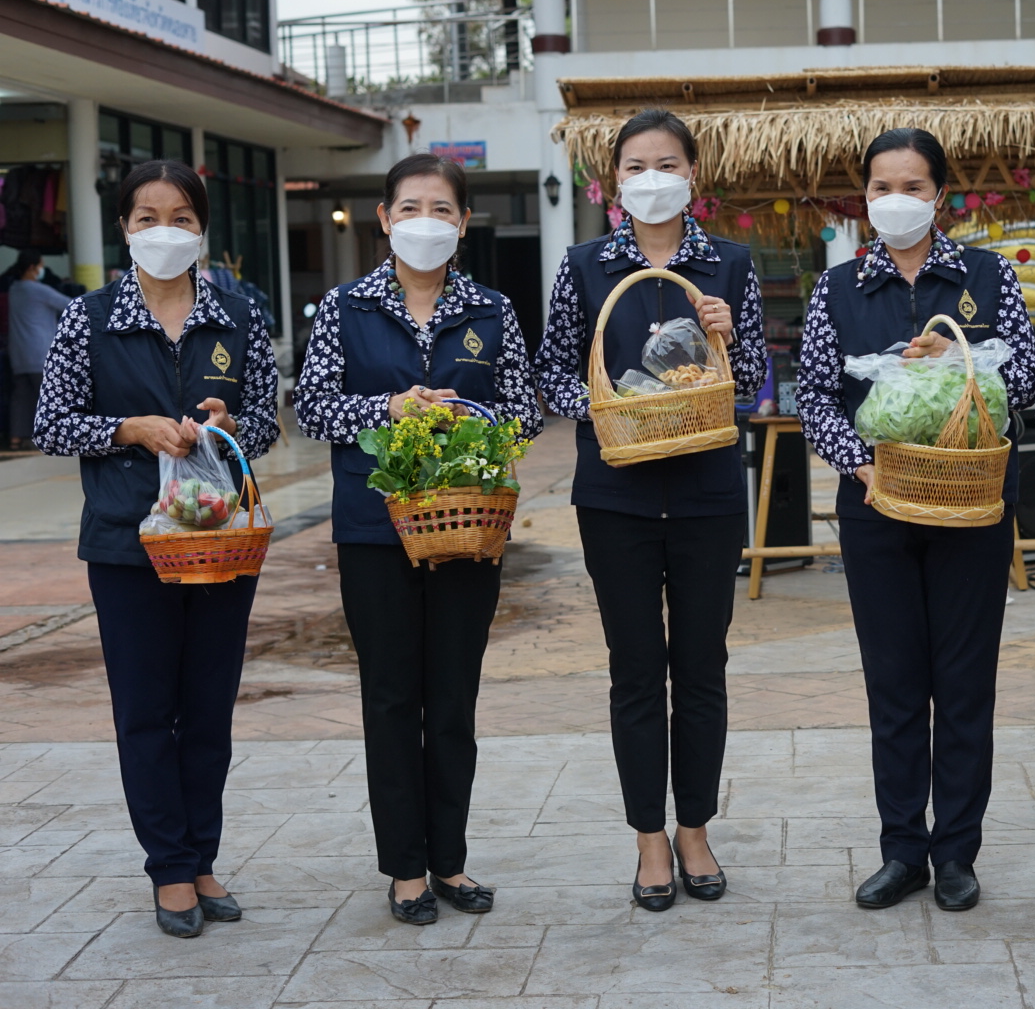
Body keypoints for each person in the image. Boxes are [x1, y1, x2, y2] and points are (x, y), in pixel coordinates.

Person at [33, 160, 280, 937]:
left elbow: (267, 422)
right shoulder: (89, 318)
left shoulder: (238, 314)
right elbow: (50, 423)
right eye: (147, 218)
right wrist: (128, 429)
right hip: (126, 544)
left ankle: (202, 857)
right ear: (124, 228)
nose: (164, 232)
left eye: (180, 218)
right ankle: (169, 867)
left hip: (220, 542)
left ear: (202, 229)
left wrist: (232, 426)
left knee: (208, 710)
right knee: (146, 711)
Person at [295, 154, 540, 925]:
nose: (424, 222)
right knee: (392, 696)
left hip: (467, 528)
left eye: (440, 209)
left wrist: (465, 416)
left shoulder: (491, 310)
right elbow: (313, 409)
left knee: (454, 698)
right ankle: (405, 866)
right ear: (384, 218)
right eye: (409, 208)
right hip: (375, 531)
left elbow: (526, 412)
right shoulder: (345, 307)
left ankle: (451, 861)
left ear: (463, 222)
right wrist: (390, 409)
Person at [797, 128, 1035, 912]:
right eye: (881, 187)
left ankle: (957, 852)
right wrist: (859, 463)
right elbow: (816, 396)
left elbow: (1025, 381)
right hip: (877, 506)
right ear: (864, 197)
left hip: (973, 504)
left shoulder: (987, 276)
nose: (895, 200)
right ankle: (902, 850)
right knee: (894, 685)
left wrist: (963, 365)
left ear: (940, 195)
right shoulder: (838, 288)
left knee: (964, 684)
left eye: (912, 186)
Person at [535, 109, 766, 911]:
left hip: (707, 494)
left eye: (667, 164)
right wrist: (610, 407)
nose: (652, 178)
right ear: (614, 181)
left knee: (702, 667)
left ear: (692, 175)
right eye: (636, 166)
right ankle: (648, 839)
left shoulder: (729, 264)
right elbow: (553, 373)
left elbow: (755, 382)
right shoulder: (584, 265)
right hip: (617, 497)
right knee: (635, 671)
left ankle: (695, 828)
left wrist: (729, 340)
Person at [5, 250, 72, 449]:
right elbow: (71, 305)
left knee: (21, 397)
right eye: (41, 266)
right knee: (50, 397)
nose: (43, 269)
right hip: (40, 352)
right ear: (32, 268)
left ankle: (16, 438)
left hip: (19, 354)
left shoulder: (14, 289)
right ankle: (52, 437)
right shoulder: (38, 290)